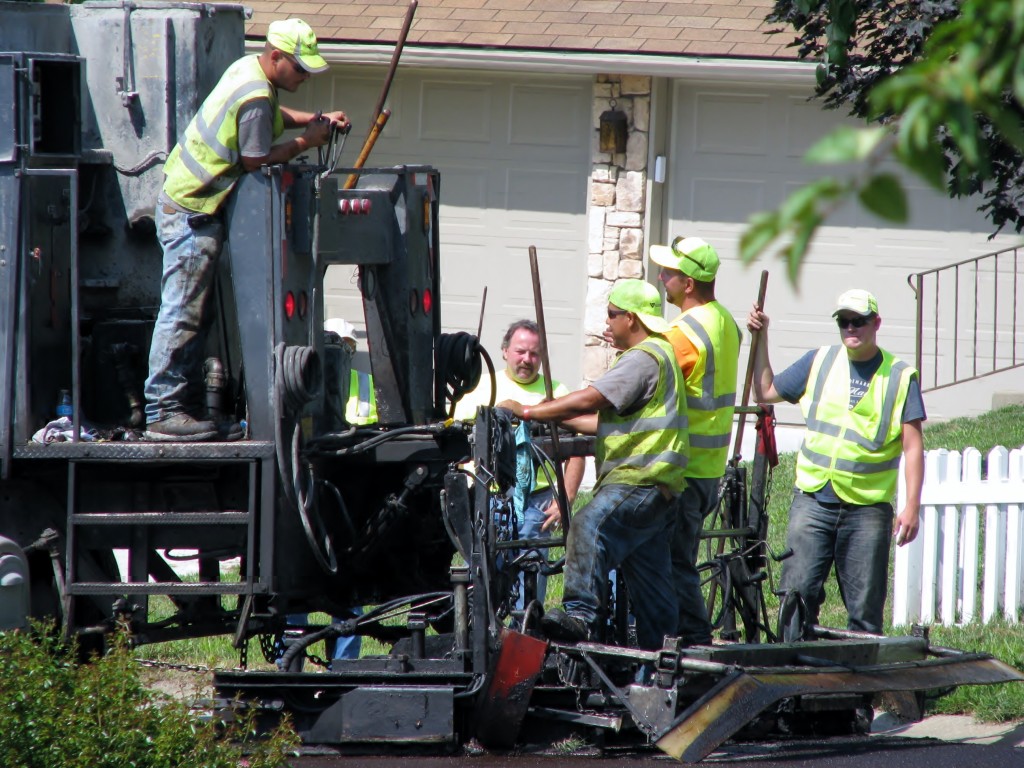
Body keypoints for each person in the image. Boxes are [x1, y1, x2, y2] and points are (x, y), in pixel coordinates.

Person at [144, 18, 349, 441]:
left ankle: (179, 406)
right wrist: (307, 142)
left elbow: (271, 116)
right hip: (193, 209)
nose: (305, 76)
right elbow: (257, 159)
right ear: (276, 56)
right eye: (300, 67)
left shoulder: (249, 70)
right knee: (181, 312)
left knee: (193, 313)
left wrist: (315, 119)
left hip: (189, 201)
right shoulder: (256, 94)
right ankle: (162, 411)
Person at [499, 280, 687, 650]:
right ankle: (664, 656)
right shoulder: (662, 355)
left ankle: (580, 614)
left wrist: (526, 409)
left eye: (612, 315)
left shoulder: (643, 358)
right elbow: (601, 423)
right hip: (661, 489)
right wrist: (553, 418)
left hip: (638, 479)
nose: (607, 324)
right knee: (650, 580)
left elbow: (591, 399)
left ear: (631, 319)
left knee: (588, 523)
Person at [747, 288, 925, 639]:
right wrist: (761, 338)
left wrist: (912, 506)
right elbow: (765, 392)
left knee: (864, 610)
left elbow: (913, 446)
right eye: (844, 322)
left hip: (867, 510)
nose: (850, 328)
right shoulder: (820, 361)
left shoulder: (901, 376)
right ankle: (792, 675)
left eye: (858, 321)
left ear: (876, 323)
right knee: (795, 599)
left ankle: (861, 688)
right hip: (813, 501)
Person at [649, 236, 741, 646]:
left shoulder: (683, 333)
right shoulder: (726, 322)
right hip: (709, 468)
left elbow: (648, 386)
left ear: (689, 284)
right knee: (677, 558)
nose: (661, 277)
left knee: (671, 561)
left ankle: (691, 641)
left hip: (682, 470)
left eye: (668, 273)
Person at [455, 320, 585, 608]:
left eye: (535, 354)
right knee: (483, 580)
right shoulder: (479, 388)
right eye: (520, 351)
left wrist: (566, 497)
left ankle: (526, 639)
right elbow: (457, 447)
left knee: (529, 583)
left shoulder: (557, 393)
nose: (527, 359)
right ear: (504, 351)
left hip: (537, 505)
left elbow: (576, 450)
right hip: (485, 500)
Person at [325, 318, 377, 425]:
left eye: (349, 346)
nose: (344, 352)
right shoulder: (308, 384)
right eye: (338, 346)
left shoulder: (369, 383)